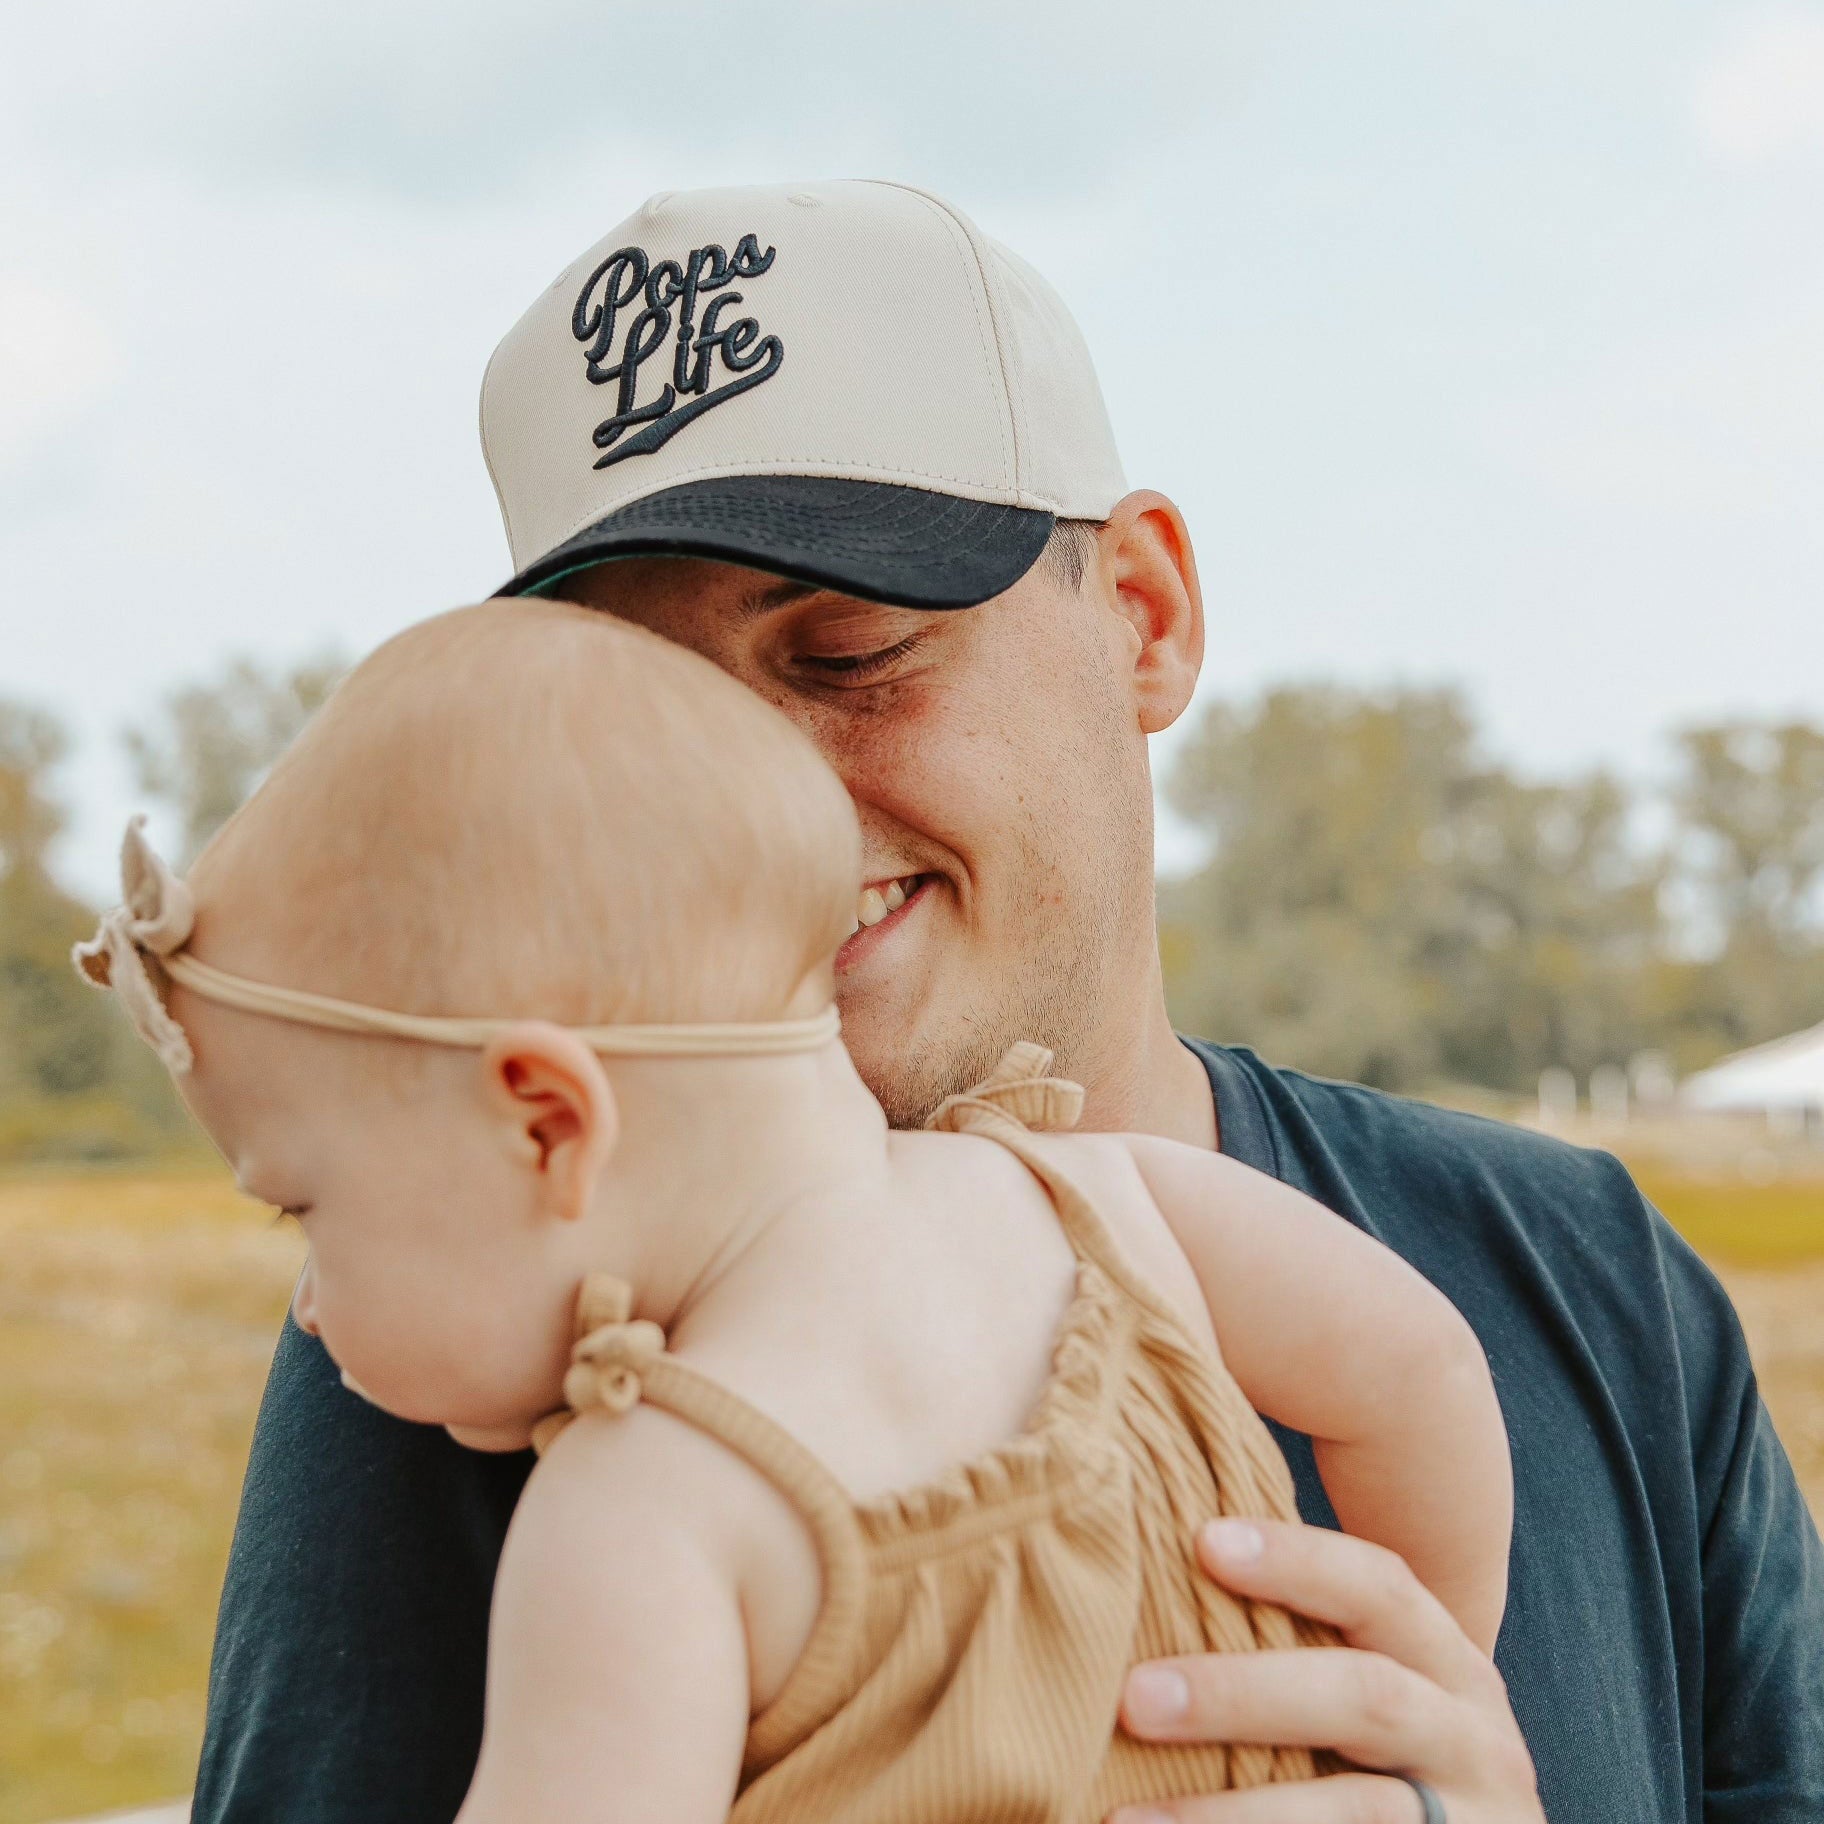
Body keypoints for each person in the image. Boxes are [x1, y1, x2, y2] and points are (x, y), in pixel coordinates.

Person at [189, 182, 1823, 1823]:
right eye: (657, 731)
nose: (773, 818)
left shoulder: (1594, 1286)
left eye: (847, 657)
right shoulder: (471, 1344)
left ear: (1146, 620)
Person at [80, 599, 1513, 1819]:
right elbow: (1421, 1368)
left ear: (547, 1123)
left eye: (304, 1210)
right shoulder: (1109, 1202)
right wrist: (1420, 1677)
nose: (311, 1300)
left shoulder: (646, 1517)